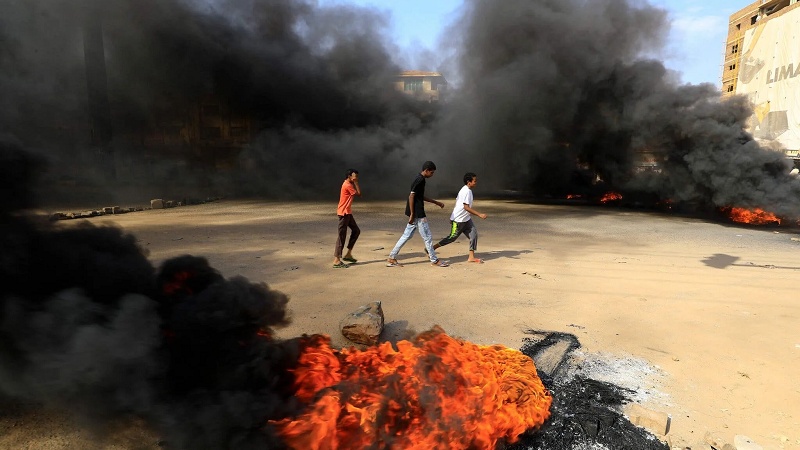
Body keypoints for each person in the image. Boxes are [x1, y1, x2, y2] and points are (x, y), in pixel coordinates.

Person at [386, 161, 449, 268]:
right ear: (426, 170)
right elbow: (411, 196)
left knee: (406, 235)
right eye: (432, 173)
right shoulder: (419, 180)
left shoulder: (420, 179)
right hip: (418, 213)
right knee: (427, 237)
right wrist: (412, 214)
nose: (432, 175)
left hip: (416, 212)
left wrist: (436, 202)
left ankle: (391, 257)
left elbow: (419, 196)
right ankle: (434, 260)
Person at [430, 172, 487, 263]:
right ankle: (432, 248)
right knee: (452, 238)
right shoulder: (466, 191)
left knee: (473, 235)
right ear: (469, 182)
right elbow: (466, 207)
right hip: (459, 220)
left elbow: (458, 203)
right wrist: (479, 214)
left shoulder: (466, 190)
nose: (476, 183)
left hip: (466, 219)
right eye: (474, 181)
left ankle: (471, 257)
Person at [333, 169, 361, 268]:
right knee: (341, 236)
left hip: (347, 213)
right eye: (355, 176)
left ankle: (348, 254)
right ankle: (336, 260)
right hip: (343, 213)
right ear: (349, 176)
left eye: (357, 176)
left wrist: (355, 182)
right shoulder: (348, 185)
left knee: (356, 231)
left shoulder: (348, 183)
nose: (356, 178)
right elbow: (359, 193)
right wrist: (356, 183)